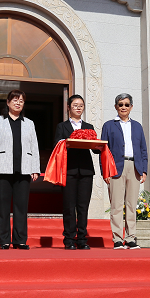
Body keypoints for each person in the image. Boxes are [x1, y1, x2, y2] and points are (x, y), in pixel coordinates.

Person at [0, 90, 40, 250]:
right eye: (15, 100)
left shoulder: (29, 123)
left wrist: (35, 168)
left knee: (21, 207)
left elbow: (34, 147)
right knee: (3, 207)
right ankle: (4, 240)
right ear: (8, 102)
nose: (18, 103)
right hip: (2, 169)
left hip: (24, 169)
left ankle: (20, 240)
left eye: (21, 101)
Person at [102, 93, 147, 250]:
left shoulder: (137, 126)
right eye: (120, 104)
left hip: (134, 167)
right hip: (115, 168)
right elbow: (104, 151)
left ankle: (130, 238)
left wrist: (144, 170)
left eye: (126, 105)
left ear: (131, 107)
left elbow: (143, 149)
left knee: (131, 205)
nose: (123, 107)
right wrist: (105, 171)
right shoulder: (109, 125)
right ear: (116, 107)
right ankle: (117, 239)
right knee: (116, 205)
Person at [55, 94, 97, 250]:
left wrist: (97, 144)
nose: (78, 108)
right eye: (75, 105)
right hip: (69, 170)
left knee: (83, 207)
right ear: (68, 107)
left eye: (81, 105)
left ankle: (82, 239)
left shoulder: (89, 126)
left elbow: (96, 150)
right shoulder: (62, 126)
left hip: (86, 171)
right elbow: (57, 145)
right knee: (69, 206)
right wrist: (67, 142)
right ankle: (69, 239)